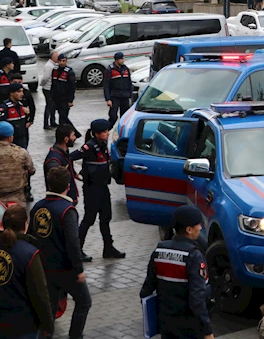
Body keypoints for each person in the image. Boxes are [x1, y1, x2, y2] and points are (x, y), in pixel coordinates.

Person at [29, 167, 91, 339]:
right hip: (65, 269)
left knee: (50, 307)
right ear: (68, 186)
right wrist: (78, 269)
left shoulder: (38, 207)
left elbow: (31, 236)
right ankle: (75, 335)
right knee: (84, 302)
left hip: (44, 268)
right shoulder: (67, 210)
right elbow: (73, 242)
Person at [0, 205, 54, 339]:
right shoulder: (30, 253)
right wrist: (48, 325)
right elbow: (40, 294)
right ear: (25, 225)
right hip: (23, 326)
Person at [140, 205, 213, 339]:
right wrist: (207, 331)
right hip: (189, 326)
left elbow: (146, 290)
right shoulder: (194, 256)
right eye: (198, 225)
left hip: (166, 324)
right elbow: (197, 299)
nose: (200, 228)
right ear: (189, 230)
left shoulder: (159, 250)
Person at [78, 119, 125, 259]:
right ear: (97, 134)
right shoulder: (89, 147)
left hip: (103, 187)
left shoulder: (103, 145)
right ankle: (77, 249)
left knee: (106, 218)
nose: (107, 133)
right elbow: (70, 157)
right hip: (92, 189)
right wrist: (76, 175)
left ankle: (108, 248)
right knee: (89, 219)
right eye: (104, 131)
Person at [44, 124, 82, 207]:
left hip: (67, 198)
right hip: (61, 201)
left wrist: (74, 174)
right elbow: (56, 181)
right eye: (73, 135)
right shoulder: (54, 160)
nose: (75, 138)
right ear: (66, 139)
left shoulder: (64, 152)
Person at [51, 54, 79, 137]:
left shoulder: (69, 72)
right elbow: (53, 84)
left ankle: (63, 134)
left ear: (66, 61)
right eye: (60, 61)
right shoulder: (55, 70)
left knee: (62, 118)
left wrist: (70, 100)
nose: (61, 63)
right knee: (63, 117)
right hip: (56, 98)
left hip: (65, 99)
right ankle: (74, 133)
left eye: (63, 61)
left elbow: (72, 87)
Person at [0, 84, 31, 149]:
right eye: (19, 92)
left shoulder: (21, 106)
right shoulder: (5, 107)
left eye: (22, 91)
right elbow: (0, 126)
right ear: (11, 93)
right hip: (10, 143)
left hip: (22, 141)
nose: (22, 94)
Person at [104, 52, 132, 127]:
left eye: (123, 58)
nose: (123, 60)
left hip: (125, 96)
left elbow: (129, 83)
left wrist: (130, 95)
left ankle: (122, 132)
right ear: (116, 60)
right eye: (121, 59)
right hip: (115, 96)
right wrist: (108, 99)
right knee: (113, 117)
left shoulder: (126, 69)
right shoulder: (110, 70)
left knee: (124, 117)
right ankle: (106, 131)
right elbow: (106, 85)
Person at [41, 51, 59, 130]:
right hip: (48, 88)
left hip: (51, 88)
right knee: (49, 106)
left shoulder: (53, 65)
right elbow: (45, 77)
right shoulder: (49, 66)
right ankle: (46, 123)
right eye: (57, 56)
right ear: (53, 57)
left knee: (53, 106)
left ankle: (52, 121)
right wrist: (42, 84)